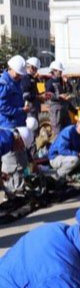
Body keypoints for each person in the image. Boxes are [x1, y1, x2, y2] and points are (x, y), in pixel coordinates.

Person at [0, 56, 28, 194]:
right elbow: (2, 107)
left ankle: (20, 186)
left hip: (17, 125)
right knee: (12, 163)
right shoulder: (4, 83)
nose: (19, 77)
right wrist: (20, 111)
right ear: (10, 69)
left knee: (22, 161)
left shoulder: (15, 81)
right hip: (7, 126)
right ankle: (13, 190)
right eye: (17, 74)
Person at [48, 113, 80, 178]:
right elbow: (62, 150)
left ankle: (70, 174)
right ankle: (56, 176)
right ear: (78, 123)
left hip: (69, 156)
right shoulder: (68, 131)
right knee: (75, 160)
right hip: (56, 157)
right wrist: (78, 154)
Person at [44, 60, 72, 138]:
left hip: (64, 109)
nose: (61, 73)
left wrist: (67, 83)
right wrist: (59, 96)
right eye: (60, 71)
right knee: (57, 132)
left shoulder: (61, 81)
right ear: (54, 71)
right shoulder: (49, 82)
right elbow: (47, 95)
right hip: (55, 110)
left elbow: (69, 90)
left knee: (68, 129)